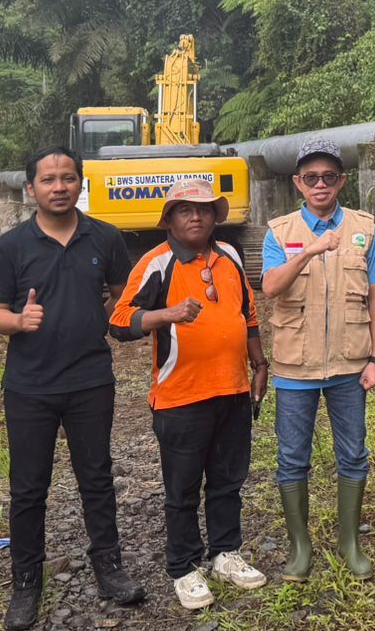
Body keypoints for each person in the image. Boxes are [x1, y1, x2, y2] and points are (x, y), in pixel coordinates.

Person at [0, 147, 144, 631]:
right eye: (49, 179)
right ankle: (26, 582)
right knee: (28, 486)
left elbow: (122, 295)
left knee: (96, 476)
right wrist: (18, 321)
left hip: (90, 378)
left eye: (68, 178)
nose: (59, 187)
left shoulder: (105, 237)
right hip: (29, 385)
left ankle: (109, 569)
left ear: (80, 183)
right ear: (30, 188)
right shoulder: (11, 246)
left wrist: (106, 316)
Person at [109, 181, 270, 609]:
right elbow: (120, 321)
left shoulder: (230, 255)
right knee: (182, 489)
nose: (196, 217)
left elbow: (247, 313)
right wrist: (167, 314)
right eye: (185, 210)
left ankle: (225, 553)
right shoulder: (156, 263)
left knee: (228, 480)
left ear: (216, 217)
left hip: (232, 389)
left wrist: (259, 364)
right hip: (181, 398)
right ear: (170, 220)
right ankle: (183, 566)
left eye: (204, 209)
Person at [261, 137, 375, 580]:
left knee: (353, 454)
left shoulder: (365, 229)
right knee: (292, 457)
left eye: (328, 176)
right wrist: (310, 252)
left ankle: (349, 542)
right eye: (311, 177)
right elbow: (270, 287)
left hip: (350, 365)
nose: (320, 184)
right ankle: (300, 547)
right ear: (298, 182)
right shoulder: (279, 232)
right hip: (295, 368)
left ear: (341, 181)